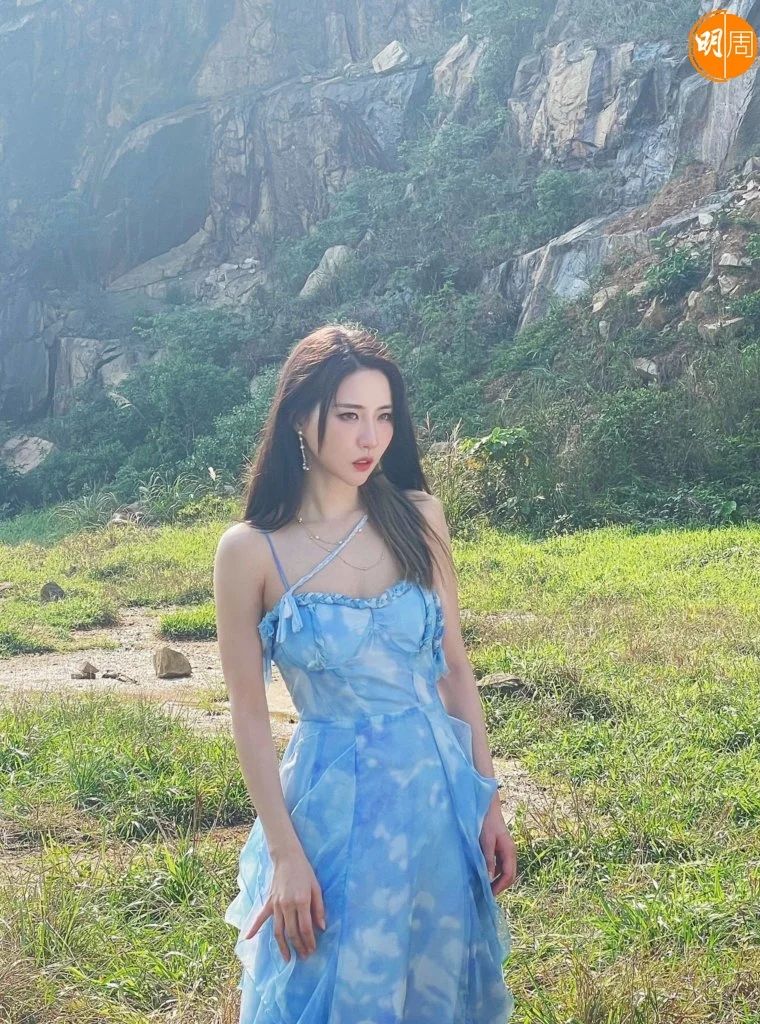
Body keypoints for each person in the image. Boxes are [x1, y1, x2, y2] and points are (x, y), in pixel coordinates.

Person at [214, 323, 517, 1023]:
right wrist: (285, 854)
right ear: (299, 416)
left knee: (435, 987)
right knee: (331, 989)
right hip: (329, 805)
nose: (369, 438)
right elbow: (249, 715)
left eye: (383, 417)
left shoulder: (420, 518)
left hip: (436, 795)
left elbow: (455, 670)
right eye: (349, 415)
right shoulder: (251, 551)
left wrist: (487, 800)